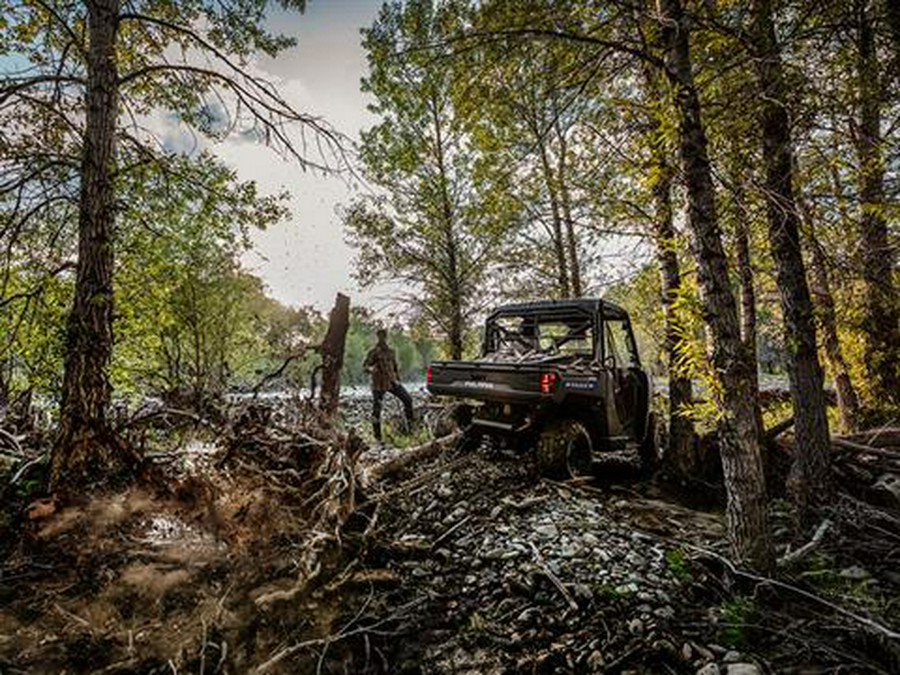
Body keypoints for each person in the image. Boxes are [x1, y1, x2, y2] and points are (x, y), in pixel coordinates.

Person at [364, 328, 414, 442]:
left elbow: (395, 368)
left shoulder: (391, 352)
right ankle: (377, 437)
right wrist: (372, 370)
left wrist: (398, 380)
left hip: (392, 382)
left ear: (387, 337)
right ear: (377, 337)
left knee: (408, 400)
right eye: (380, 336)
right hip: (378, 384)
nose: (383, 339)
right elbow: (365, 366)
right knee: (377, 410)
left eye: (384, 336)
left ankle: (411, 430)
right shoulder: (373, 352)